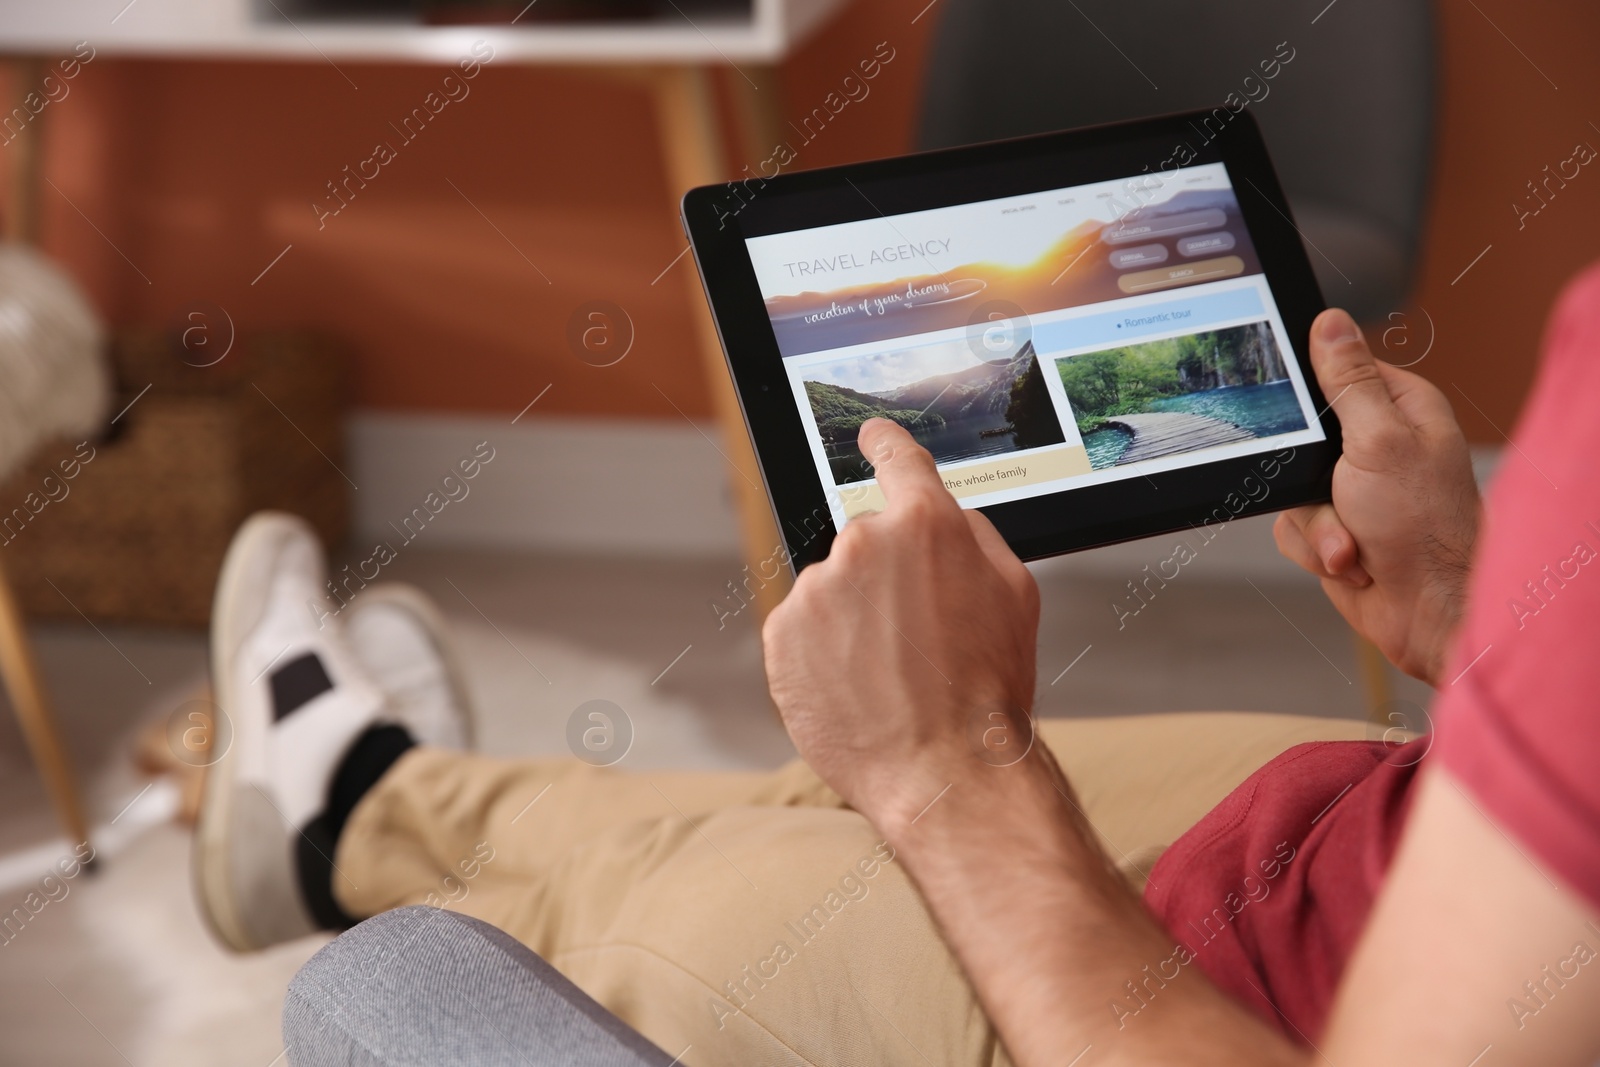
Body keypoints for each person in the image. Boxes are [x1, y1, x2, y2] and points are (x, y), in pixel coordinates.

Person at [197, 266, 1600, 1066]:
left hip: (1209, 1018)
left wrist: (952, 770)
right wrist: (1492, 635)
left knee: (729, 862)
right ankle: (367, 799)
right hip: (1386, 822)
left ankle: (343, 819)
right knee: (805, 792)